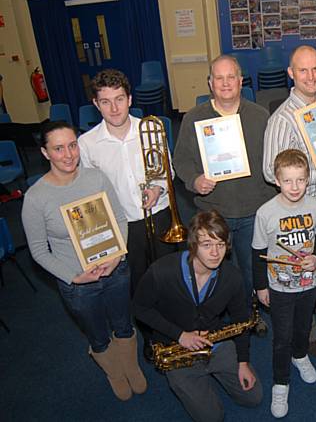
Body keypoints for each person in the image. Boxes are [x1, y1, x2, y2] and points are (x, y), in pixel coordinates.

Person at [22, 121, 147, 401]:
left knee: (124, 324)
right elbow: (39, 250)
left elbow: (118, 218)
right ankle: (114, 372)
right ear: (45, 153)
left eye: (72, 145)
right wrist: (74, 277)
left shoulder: (96, 178)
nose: (68, 155)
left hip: (115, 269)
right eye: (58, 148)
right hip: (78, 282)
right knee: (98, 334)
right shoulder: (36, 198)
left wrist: (116, 257)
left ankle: (130, 364)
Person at [173, 55, 274, 336]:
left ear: (241, 81)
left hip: (254, 208)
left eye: (231, 77)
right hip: (213, 211)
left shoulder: (260, 116)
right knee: (215, 270)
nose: (226, 83)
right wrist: (195, 180)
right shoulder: (194, 118)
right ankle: (222, 316)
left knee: (252, 269)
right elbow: (180, 161)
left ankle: (250, 313)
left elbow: (273, 159)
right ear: (210, 83)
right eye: (219, 78)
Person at [78, 69, 175, 360]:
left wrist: (157, 189)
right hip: (123, 226)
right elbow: (89, 194)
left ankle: (174, 328)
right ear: (96, 104)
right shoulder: (88, 144)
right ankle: (150, 336)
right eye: (105, 102)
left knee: (168, 276)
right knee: (138, 283)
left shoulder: (151, 129)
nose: (114, 108)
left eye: (119, 99)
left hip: (159, 214)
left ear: (130, 98)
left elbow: (168, 170)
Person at [133, 210, 262, 422]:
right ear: (193, 245)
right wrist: (180, 335)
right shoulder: (162, 271)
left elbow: (240, 321)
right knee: (212, 418)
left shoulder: (232, 277)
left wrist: (243, 363)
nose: (215, 253)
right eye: (207, 245)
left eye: (220, 245)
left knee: (253, 398)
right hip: (177, 348)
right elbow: (139, 308)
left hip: (215, 344)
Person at [263, 44, 316, 358]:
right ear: (290, 74)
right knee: (304, 273)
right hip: (307, 208)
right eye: (302, 70)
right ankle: (306, 338)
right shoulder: (283, 120)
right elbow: (272, 171)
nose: (310, 76)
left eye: (315, 68)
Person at [252, 149, 316, 418]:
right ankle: (280, 382)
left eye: (300, 180)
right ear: (276, 180)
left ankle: (300, 355)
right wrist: (261, 287)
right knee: (281, 337)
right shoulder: (265, 213)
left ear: (308, 179)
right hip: (280, 287)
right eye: (288, 180)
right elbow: (257, 252)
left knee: (303, 327)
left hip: (309, 283)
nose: (295, 187)